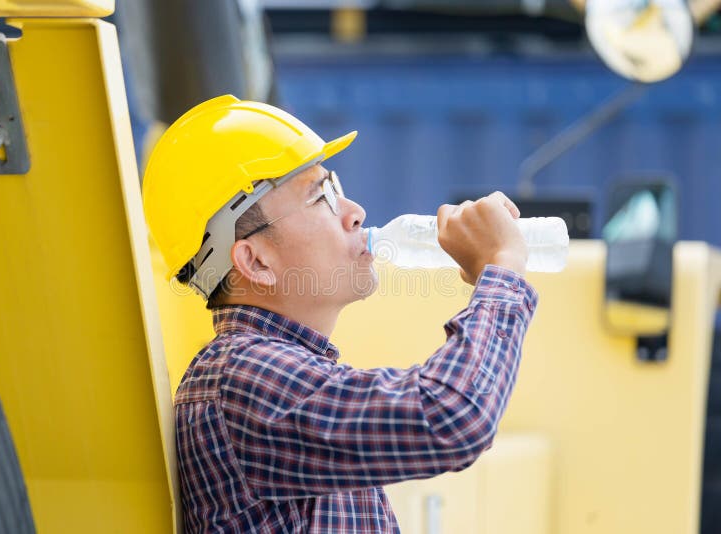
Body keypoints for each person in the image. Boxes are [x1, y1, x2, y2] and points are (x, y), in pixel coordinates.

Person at [142, 94, 537, 533]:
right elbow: (450, 415)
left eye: (337, 188)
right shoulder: (245, 378)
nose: (355, 213)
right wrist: (502, 269)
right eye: (321, 198)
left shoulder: (274, 371)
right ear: (254, 262)